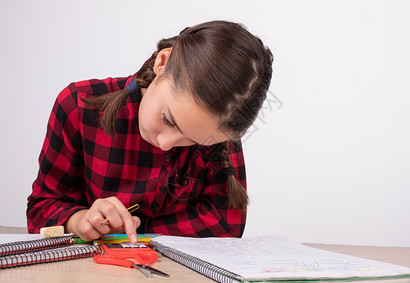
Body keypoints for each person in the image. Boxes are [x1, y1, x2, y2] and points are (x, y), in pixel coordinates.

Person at [27, 20, 273, 242]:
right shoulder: (78, 106)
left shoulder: (217, 126)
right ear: (162, 62)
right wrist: (79, 220)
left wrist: (139, 229)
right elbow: (41, 210)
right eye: (168, 119)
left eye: (192, 140)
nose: (165, 143)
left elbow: (226, 224)